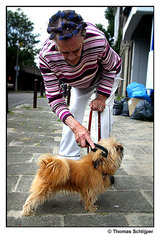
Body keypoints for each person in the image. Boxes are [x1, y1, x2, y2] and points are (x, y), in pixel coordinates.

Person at [39, 10, 121, 160]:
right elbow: (55, 99)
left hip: (104, 74)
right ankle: (68, 159)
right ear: (55, 44)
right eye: (64, 52)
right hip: (78, 81)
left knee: (102, 113)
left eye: (76, 50)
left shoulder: (98, 40)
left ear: (84, 36)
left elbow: (111, 67)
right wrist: (77, 127)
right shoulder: (46, 57)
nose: (71, 58)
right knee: (73, 112)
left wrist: (102, 97)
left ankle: (102, 162)